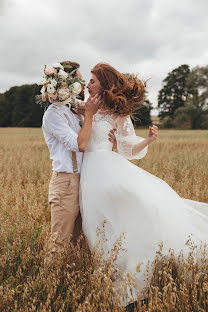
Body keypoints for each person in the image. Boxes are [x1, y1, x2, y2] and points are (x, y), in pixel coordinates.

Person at [79, 63, 208, 306]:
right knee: (97, 225)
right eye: (88, 80)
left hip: (108, 171)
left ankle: (129, 282)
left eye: (93, 81)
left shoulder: (118, 114)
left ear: (104, 85)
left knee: (125, 221)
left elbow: (128, 149)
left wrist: (147, 140)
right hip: (89, 175)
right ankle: (108, 278)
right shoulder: (84, 107)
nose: (88, 84)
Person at [40, 61, 106, 264]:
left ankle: (68, 287)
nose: (83, 85)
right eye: (78, 81)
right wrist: (88, 114)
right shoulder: (53, 115)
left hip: (83, 182)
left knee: (78, 243)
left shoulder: (70, 110)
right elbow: (81, 144)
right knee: (59, 243)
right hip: (65, 183)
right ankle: (47, 289)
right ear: (65, 85)